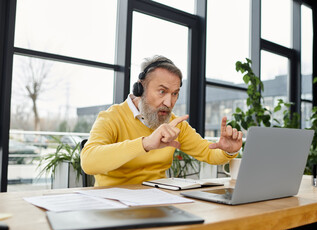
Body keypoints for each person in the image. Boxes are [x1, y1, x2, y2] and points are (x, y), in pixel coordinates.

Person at [81, 55, 243, 186]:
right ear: (140, 88)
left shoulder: (174, 124)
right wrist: (145, 143)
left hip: (158, 203)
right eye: (162, 91)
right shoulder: (112, 117)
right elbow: (88, 162)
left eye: (174, 94)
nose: (169, 102)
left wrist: (228, 150)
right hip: (113, 206)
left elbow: (209, 152)